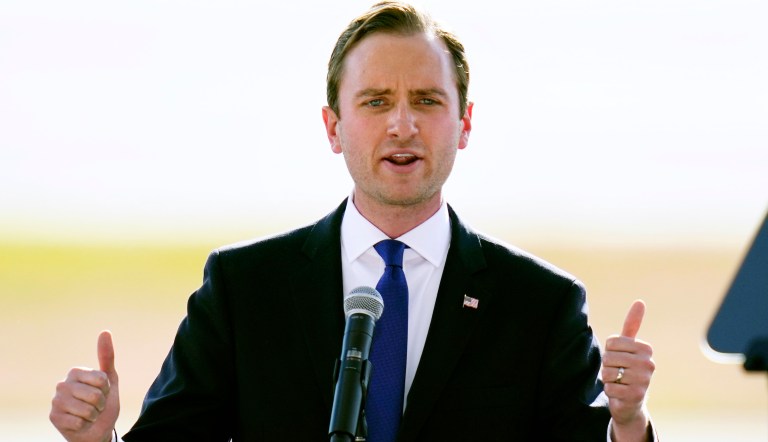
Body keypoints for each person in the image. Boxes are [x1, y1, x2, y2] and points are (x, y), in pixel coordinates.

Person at [50, 2, 656, 441]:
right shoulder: (244, 287)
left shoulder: (541, 303)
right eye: (375, 101)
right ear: (333, 127)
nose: (402, 124)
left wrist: (628, 426)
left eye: (426, 100)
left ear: (465, 124)